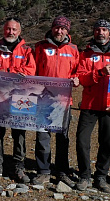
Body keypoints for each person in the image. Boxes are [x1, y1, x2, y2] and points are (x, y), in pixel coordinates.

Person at [75, 19, 110, 193]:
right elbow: (82, 78)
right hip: (89, 105)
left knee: (107, 143)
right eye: (97, 29)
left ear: (109, 33)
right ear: (93, 32)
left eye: (104, 30)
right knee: (82, 141)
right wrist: (99, 72)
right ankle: (84, 175)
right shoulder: (86, 54)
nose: (100, 32)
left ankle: (101, 176)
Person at [0, 18, 36, 183]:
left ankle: (18, 165)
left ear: (19, 32)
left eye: (14, 30)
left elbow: (31, 70)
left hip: (22, 97)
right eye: (8, 29)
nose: (11, 32)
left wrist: (11, 71)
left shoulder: (27, 51)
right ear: (3, 30)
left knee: (19, 132)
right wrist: (13, 72)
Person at [33, 16, 80, 187]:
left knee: (62, 138)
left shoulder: (73, 49)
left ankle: (61, 171)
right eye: (56, 28)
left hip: (64, 101)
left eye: (63, 28)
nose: (59, 31)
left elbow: (78, 71)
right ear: (52, 29)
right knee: (42, 137)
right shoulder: (40, 47)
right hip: (43, 99)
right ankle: (43, 171)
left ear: (67, 31)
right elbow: (33, 69)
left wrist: (77, 79)